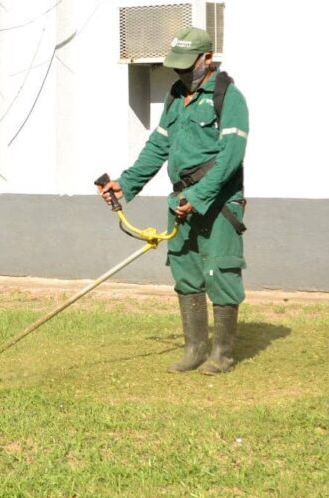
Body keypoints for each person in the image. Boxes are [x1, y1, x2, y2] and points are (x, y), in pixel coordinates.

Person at [97, 27, 249, 375]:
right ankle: (195, 350)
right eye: (176, 67)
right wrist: (127, 184)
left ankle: (222, 355)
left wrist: (198, 196)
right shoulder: (176, 96)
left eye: (185, 66)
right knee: (186, 272)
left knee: (220, 271)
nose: (180, 73)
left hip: (219, 203)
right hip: (181, 200)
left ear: (207, 59)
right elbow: (158, 146)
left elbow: (230, 158)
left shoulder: (230, 97)